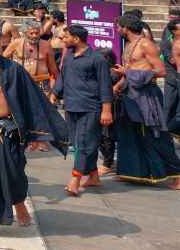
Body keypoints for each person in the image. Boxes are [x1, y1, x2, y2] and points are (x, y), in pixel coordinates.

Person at [0, 33, 69, 241]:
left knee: (13, 173)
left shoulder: (13, 70)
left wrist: (36, 135)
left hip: (9, 130)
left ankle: (19, 204)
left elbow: (31, 101)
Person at [113, 14, 180, 188]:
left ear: (125, 27)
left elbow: (161, 70)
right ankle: (135, 172)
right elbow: (129, 68)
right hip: (130, 94)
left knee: (154, 135)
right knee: (131, 133)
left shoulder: (146, 45)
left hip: (147, 95)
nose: (117, 30)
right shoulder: (128, 45)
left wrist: (128, 74)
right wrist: (119, 85)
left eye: (119, 27)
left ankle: (177, 175)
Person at [54, 25, 113, 196]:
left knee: (83, 143)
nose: (63, 40)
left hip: (90, 108)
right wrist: (55, 94)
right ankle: (93, 176)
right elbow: (62, 78)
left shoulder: (97, 59)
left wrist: (106, 110)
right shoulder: (70, 57)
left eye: (66, 37)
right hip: (71, 106)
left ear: (76, 39)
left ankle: (75, 179)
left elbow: (105, 85)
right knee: (81, 143)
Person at [3, 21, 59, 118]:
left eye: (37, 33)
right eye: (31, 33)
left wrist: (57, 89)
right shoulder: (16, 43)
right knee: (21, 109)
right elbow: (2, 60)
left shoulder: (46, 45)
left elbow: (53, 68)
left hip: (42, 83)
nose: (34, 36)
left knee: (42, 111)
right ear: (24, 33)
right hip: (20, 82)